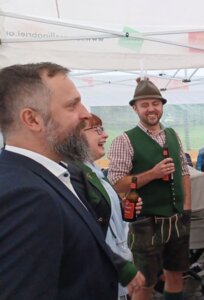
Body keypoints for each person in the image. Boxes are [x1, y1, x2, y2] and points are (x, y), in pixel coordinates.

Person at [0, 62, 118, 299]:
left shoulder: (55, 173)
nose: (85, 114)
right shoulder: (27, 198)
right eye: (72, 105)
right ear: (32, 120)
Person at [108, 78, 191, 300]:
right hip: (146, 222)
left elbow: (183, 172)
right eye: (144, 104)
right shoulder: (124, 140)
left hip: (176, 218)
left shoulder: (172, 135)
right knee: (145, 283)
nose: (151, 109)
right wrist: (152, 174)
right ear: (135, 108)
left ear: (162, 106)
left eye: (155, 103)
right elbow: (116, 182)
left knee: (175, 274)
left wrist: (187, 208)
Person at [72, 114, 146, 299]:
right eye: (97, 130)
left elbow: (104, 214)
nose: (105, 135)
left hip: (116, 268)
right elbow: (85, 235)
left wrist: (123, 209)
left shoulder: (93, 170)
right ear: (75, 135)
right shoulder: (74, 176)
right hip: (105, 273)